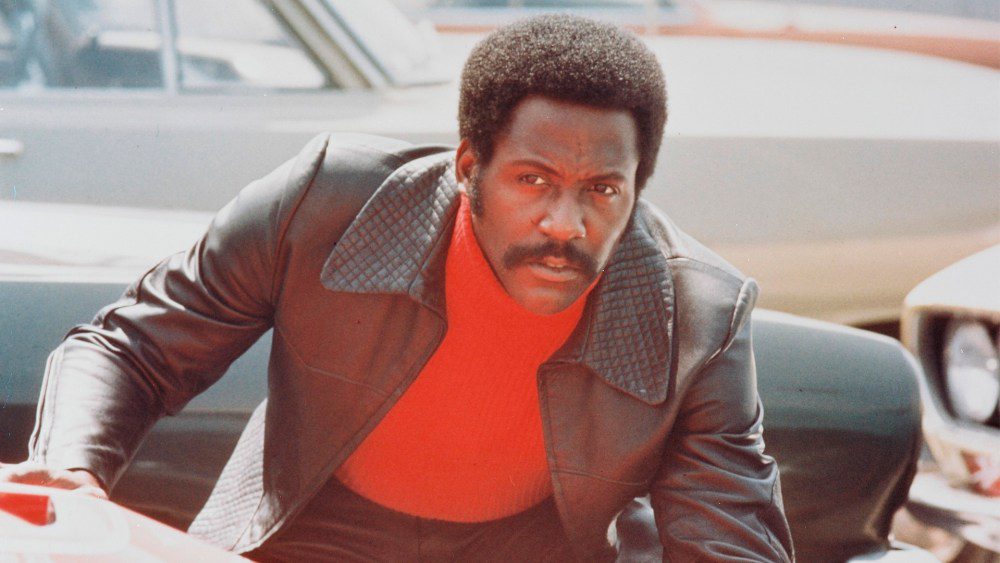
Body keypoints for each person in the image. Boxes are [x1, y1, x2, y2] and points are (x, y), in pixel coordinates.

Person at [0, 15, 793, 562]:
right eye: (532, 178)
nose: (566, 222)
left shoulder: (701, 315)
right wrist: (71, 474)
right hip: (308, 529)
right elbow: (133, 348)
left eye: (602, 190)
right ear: (466, 167)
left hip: (526, 548)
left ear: (638, 189)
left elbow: (728, 537)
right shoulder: (324, 202)